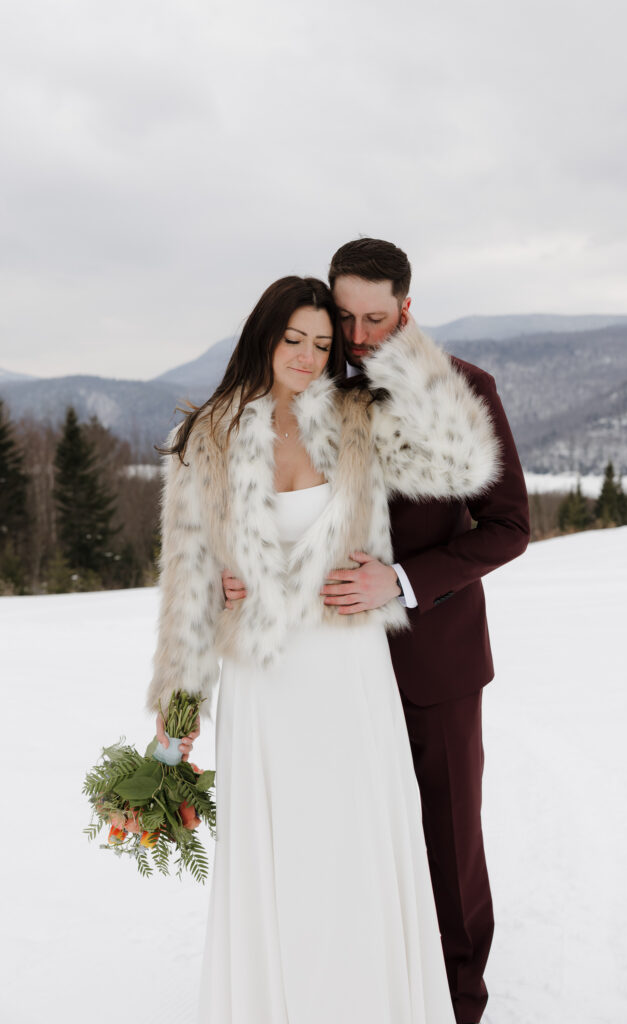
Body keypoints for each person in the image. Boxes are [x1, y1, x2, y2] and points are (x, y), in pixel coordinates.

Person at [148, 274, 502, 1023]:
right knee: (283, 862)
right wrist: (177, 709)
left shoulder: (355, 415)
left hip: (349, 669)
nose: (309, 357)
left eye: (322, 342)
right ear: (263, 337)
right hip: (263, 682)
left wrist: (406, 349)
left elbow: (463, 469)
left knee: (356, 852)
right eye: (293, 340)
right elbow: (186, 579)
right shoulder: (204, 437)